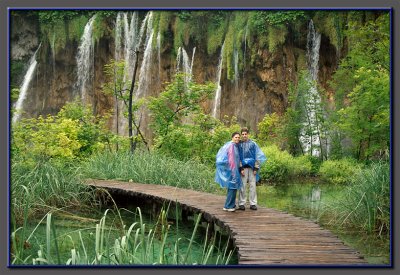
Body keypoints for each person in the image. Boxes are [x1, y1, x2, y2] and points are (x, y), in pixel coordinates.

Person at [237, 127, 267, 210]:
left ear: (248, 134)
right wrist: (241, 168)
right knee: (242, 186)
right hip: (243, 168)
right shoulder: (239, 145)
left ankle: (253, 203)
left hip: (252, 168)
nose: (244, 136)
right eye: (242, 134)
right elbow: (238, 157)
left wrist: (256, 168)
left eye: (245, 134)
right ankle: (241, 203)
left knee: (253, 185)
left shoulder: (253, 144)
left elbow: (258, 156)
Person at [215, 132, 242, 212]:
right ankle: (228, 206)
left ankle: (231, 205)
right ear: (232, 137)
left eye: (238, 137)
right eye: (236, 137)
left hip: (233, 169)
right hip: (232, 170)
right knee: (232, 187)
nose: (237, 139)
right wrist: (234, 171)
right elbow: (231, 159)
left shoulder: (233, 145)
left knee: (232, 187)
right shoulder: (231, 146)